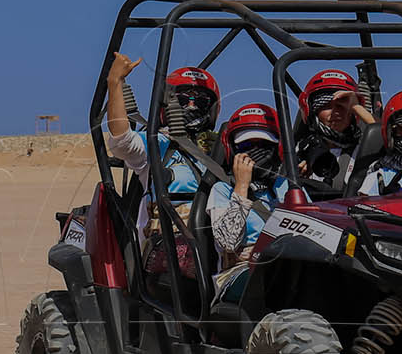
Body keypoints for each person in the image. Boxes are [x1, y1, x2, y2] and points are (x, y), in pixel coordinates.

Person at [102, 52, 222, 239]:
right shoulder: (157, 143)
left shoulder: (221, 148)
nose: (191, 106)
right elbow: (122, 142)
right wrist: (115, 82)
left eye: (200, 101)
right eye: (183, 100)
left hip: (215, 245)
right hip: (167, 250)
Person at [206, 103, 290, 262]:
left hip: (285, 266)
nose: (256, 152)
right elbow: (228, 243)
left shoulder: (285, 186)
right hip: (241, 272)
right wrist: (242, 187)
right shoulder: (222, 190)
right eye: (246, 145)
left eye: (264, 145)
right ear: (233, 150)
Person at [293, 68, 376, 189]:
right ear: (311, 111)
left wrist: (357, 107)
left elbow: (387, 139)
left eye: (342, 106)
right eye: (326, 106)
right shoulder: (296, 151)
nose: (336, 112)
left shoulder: (366, 151)